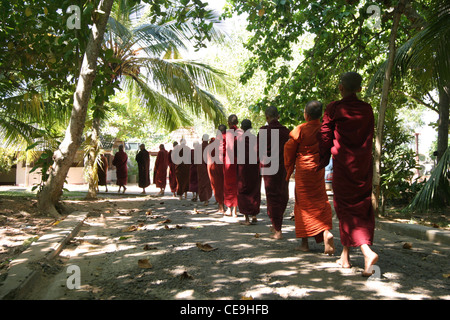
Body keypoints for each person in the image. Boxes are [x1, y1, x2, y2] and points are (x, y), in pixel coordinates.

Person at [318, 72, 378, 277]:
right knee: (360, 208)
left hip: (343, 165)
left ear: (341, 87)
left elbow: (325, 135)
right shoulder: (367, 109)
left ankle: (367, 252)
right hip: (362, 167)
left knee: (345, 209)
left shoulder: (334, 108)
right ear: (360, 89)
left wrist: (323, 159)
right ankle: (345, 257)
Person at [284, 101, 334, 254]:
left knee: (302, 204)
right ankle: (326, 233)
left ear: (306, 114)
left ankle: (304, 244)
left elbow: (289, 148)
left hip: (304, 171)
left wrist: (289, 167)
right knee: (320, 200)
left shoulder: (301, 129)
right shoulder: (324, 129)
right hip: (318, 170)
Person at [258, 106, 290, 239]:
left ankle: (278, 230)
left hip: (269, 168)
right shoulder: (286, 131)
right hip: (282, 168)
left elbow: (259, 150)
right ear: (279, 116)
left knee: (272, 197)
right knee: (282, 194)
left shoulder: (263, 131)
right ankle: (275, 224)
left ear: (267, 117)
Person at [236, 119, 261, 225]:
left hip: (243, 169)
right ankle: (254, 215)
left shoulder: (239, 140)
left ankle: (246, 219)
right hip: (254, 168)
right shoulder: (255, 139)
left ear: (242, 128)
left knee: (243, 190)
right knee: (254, 189)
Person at [223, 114, 240, 218]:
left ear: (229, 123)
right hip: (239, 163)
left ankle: (229, 209)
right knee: (237, 185)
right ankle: (235, 211)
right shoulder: (241, 134)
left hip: (228, 163)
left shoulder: (225, 135)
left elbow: (222, 150)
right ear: (237, 123)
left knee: (228, 185)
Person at [207, 126, 226, 213]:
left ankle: (221, 206)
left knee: (217, 186)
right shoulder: (229, 140)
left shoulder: (213, 142)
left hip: (216, 167)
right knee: (226, 186)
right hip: (226, 167)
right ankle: (230, 209)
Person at [197, 135, 212, 206]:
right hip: (209, 167)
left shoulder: (198, 147)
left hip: (200, 168)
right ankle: (207, 198)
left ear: (202, 139)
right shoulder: (210, 147)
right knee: (208, 183)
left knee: (202, 182)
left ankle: (205, 199)